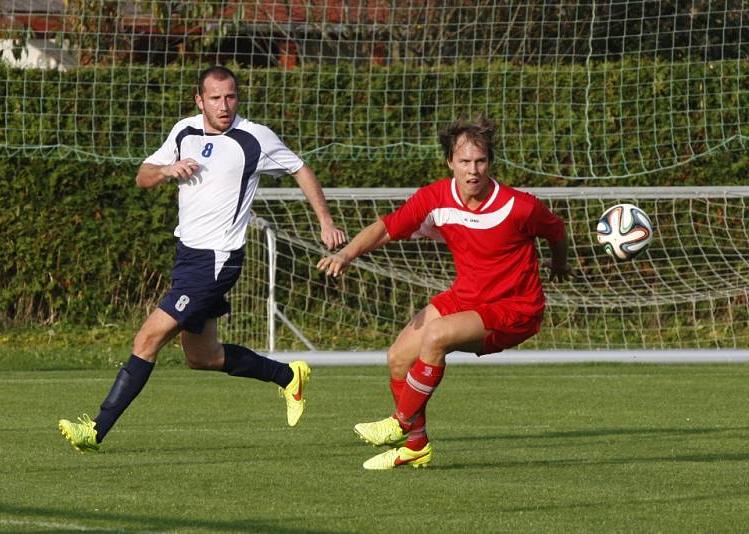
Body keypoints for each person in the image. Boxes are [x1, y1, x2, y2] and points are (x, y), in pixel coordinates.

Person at [59, 65, 346, 453]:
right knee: (203, 356)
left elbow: (301, 169)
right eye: (215, 98)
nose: (224, 105)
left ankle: (94, 429)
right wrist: (166, 170)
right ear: (200, 100)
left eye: (230, 97)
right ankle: (287, 376)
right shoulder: (184, 131)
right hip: (187, 256)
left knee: (146, 339)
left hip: (218, 259)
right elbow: (142, 176)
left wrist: (325, 222)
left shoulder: (254, 138)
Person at [317, 117, 571, 470]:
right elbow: (387, 227)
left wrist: (559, 265)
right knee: (398, 358)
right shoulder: (436, 198)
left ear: (490, 162)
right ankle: (417, 446)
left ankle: (400, 423)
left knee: (435, 336)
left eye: (480, 161)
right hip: (466, 297)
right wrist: (346, 254)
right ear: (450, 162)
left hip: (515, 308)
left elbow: (556, 230)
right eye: (464, 162)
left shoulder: (519, 206)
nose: (473, 171)